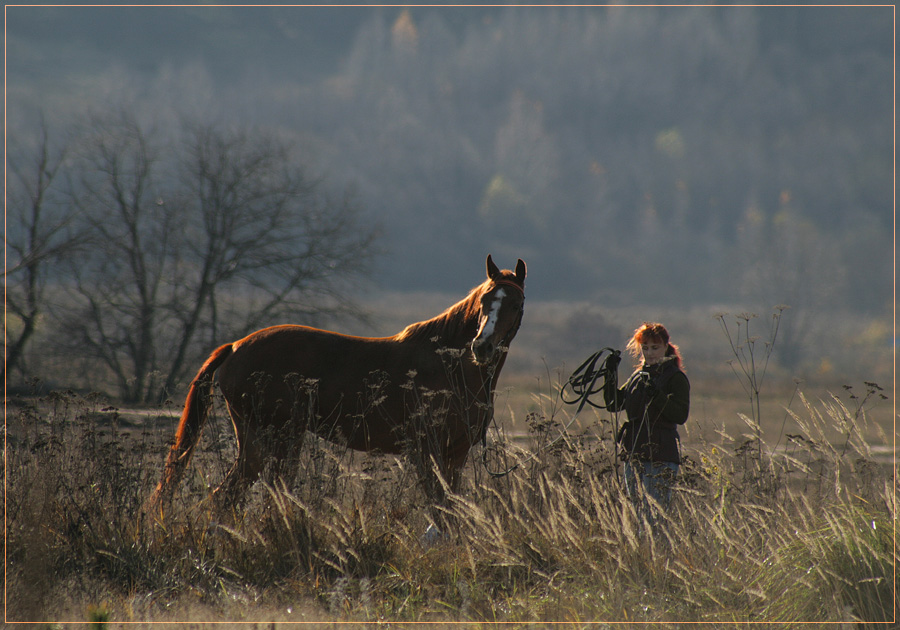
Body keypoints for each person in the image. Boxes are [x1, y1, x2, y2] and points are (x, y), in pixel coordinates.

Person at [603, 322, 690, 531]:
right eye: (645, 348)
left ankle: (658, 559)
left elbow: (680, 415)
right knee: (637, 515)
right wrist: (610, 375)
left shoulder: (676, 378)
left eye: (655, 348)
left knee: (654, 519)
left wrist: (657, 396)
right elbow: (614, 404)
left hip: (661, 454)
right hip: (634, 452)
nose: (649, 353)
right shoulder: (637, 376)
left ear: (666, 346)